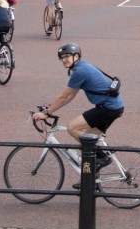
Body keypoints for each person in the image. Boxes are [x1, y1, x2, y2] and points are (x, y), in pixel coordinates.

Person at [31, 43, 124, 172]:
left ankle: (103, 158)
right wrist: (51, 108)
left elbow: (64, 96)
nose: (64, 59)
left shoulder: (80, 71)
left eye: (67, 56)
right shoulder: (82, 66)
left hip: (108, 108)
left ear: (76, 56)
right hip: (113, 107)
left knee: (72, 128)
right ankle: (91, 182)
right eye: (62, 57)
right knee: (88, 142)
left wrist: (47, 112)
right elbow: (70, 96)